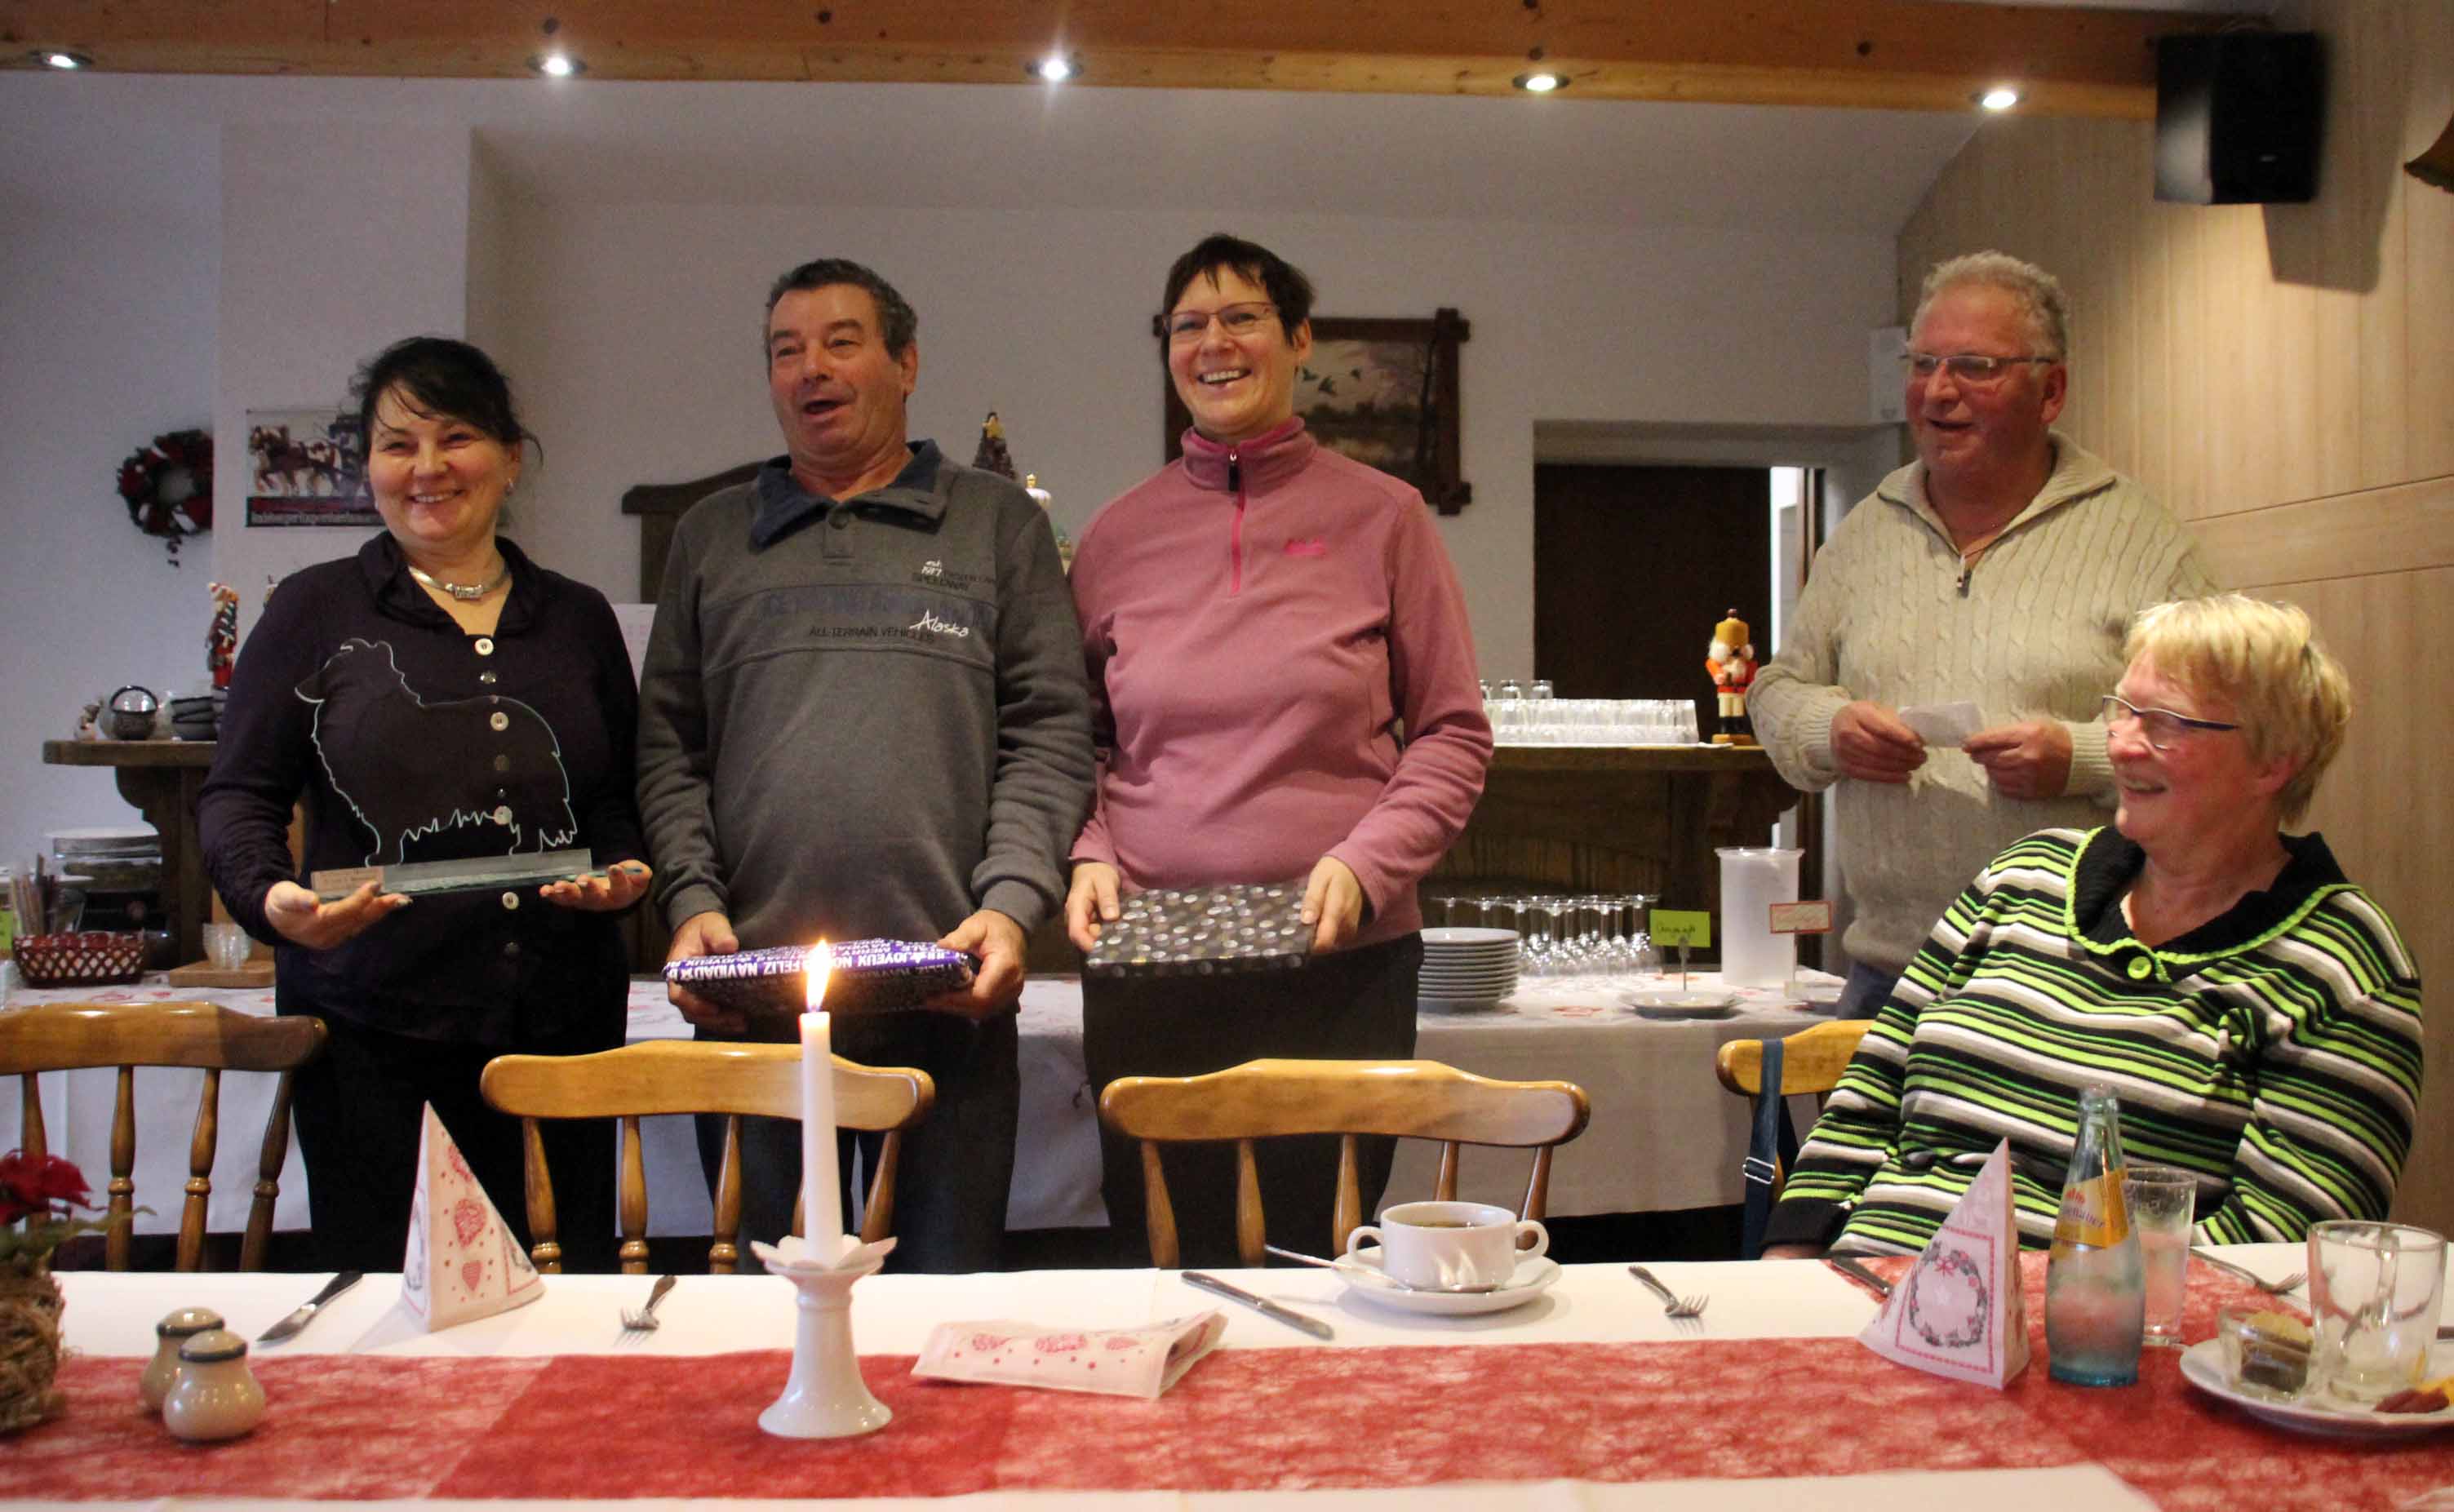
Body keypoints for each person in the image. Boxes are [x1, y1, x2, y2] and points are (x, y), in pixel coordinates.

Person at [637, 257, 1092, 1275]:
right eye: (785, 350)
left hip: (953, 993)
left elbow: (1052, 731)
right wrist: (689, 896)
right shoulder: (711, 537)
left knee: (940, 1310)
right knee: (762, 1317)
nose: (811, 369)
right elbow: (668, 743)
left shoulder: (998, 525)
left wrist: (1013, 903)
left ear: (906, 363)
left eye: (841, 341)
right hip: (753, 1002)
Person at [1064, 233, 1493, 1264]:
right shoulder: (1115, 535)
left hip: (1339, 963)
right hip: (1149, 958)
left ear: (1299, 340)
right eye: (1187, 324)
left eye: (1242, 317)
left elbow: (1451, 730)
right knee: (1165, 1261)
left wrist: (1365, 860)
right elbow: (1067, 737)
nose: (1214, 343)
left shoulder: (1386, 517)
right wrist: (1086, 847)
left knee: (1321, 1262)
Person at [1763, 594, 2421, 1257]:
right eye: (2122, 710)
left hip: (2092, 1335)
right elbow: (1870, 1093)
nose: (2123, 746)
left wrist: (2064, 1313)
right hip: (1861, 1291)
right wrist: (1783, 1269)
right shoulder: (2026, 875)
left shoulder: (2339, 962)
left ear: (2272, 761)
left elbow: (2278, 1242)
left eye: (2165, 724)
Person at [198, 336, 650, 1274]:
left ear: (510, 456)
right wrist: (273, 900)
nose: (429, 468)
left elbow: (611, 799)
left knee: (563, 1312)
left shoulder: (578, 617)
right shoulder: (311, 611)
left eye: (456, 437)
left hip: (562, 1041)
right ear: (367, 466)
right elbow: (240, 792)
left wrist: (624, 873)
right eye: (398, 443)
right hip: (373, 1032)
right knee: (381, 1310)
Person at [1749, 251, 2214, 1018]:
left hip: (2075, 978)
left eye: (1973, 366)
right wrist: (1830, 729)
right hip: (1886, 976)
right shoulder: (1866, 531)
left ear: (2051, 389)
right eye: (1923, 362)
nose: (1937, 392)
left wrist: (2081, 758)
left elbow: (2212, 735)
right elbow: (1777, 688)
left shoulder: (2142, 539)